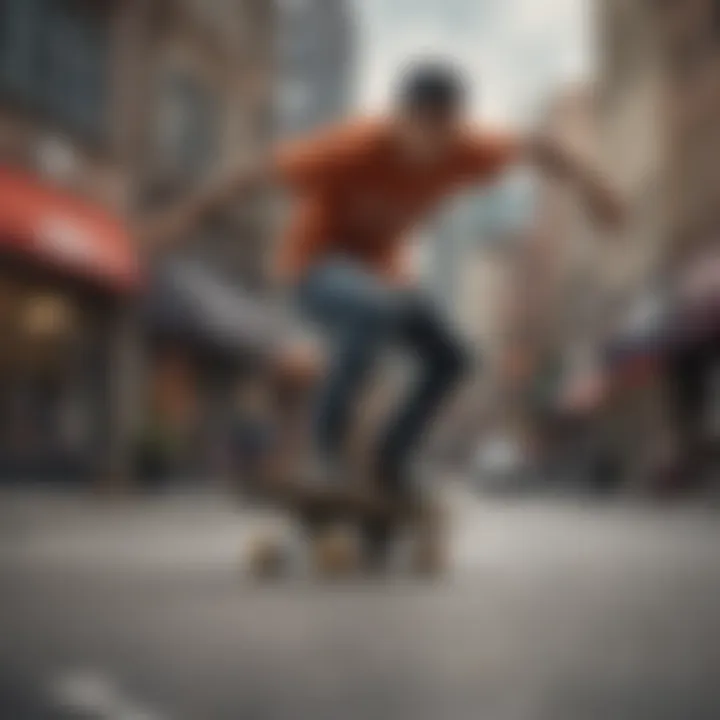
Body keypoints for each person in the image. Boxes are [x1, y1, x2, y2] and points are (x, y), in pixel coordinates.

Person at [141, 60, 624, 497]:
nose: (430, 145)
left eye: (443, 130)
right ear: (401, 118)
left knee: (452, 358)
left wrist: (596, 188)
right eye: (421, 128)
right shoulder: (354, 145)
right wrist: (182, 218)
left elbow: (541, 147)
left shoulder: (467, 148)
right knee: (374, 308)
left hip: (386, 280)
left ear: (454, 123)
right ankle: (323, 453)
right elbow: (255, 173)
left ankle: (390, 460)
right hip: (314, 269)